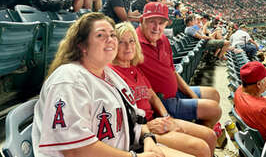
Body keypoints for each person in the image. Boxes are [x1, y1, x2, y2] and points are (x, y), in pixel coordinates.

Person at [32, 12, 193, 157]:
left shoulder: (109, 75)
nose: (110, 40)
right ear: (82, 45)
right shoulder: (68, 80)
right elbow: (76, 150)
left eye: (112, 35)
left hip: (128, 148)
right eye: (101, 35)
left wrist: (148, 139)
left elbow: (135, 119)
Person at [111, 22, 217, 157]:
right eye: (122, 42)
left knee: (210, 136)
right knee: (201, 148)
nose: (128, 46)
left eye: (131, 41)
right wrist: (148, 127)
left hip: (157, 119)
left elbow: (152, 96)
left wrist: (166, 117)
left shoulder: (134, 68)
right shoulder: (111, 73)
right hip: (141, 130)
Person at [137, 2, 222, 128]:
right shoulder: (133, 45)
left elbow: (173, 72)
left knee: (214, 94)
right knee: (215, 110)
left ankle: (197, 128)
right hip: (163, 102)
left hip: (176, 92)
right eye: (151, 21)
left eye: (161, 23)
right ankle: (200, 134)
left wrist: (192, 96)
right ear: (141, 20)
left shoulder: (163, 39)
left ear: (166, 24)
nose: (156, 27)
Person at [234, 61, 266, 140]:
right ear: (259, 84)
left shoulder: (239, 90)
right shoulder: (264, 110)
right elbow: (261, 108)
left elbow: (257, 102)